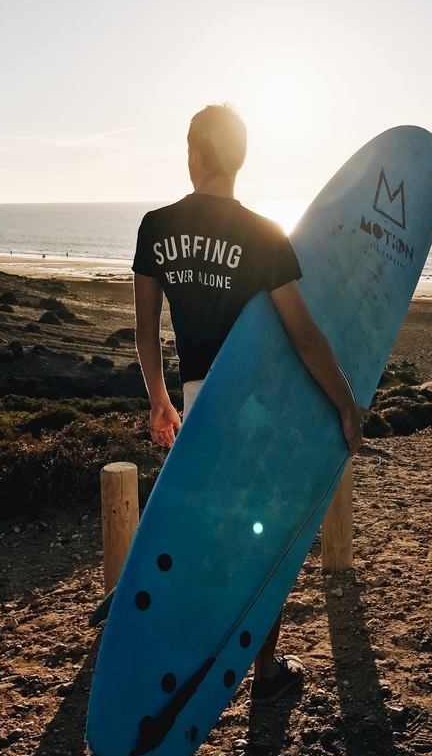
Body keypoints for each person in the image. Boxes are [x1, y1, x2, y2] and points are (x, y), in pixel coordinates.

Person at [132, 103, 364, 705]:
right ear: (238, 158)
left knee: (202, 538)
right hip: (259, 413)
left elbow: (146, 329)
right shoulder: (263, 234)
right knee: (261, 543)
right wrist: (345, 402)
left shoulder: (155, 227)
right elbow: (305, 337)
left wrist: (160, 399)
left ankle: (181, 662)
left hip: (199, 406)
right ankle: (264, 671)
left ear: (198, 154)